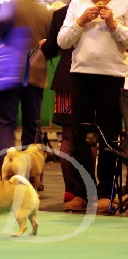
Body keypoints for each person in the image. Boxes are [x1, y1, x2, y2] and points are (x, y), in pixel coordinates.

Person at [57, 0, 128, 212]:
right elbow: (62, 41)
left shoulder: (123, 3)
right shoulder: (78, 3)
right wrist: (81, 21)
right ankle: (83, 193)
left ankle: (107, 192)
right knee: (80, 135)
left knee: (109, 134)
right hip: (80, 75)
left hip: (113, 76)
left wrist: (114, 25)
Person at [0, 0, 51, 174]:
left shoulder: (10, 5)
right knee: (32, 124)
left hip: (9, 70)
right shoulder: (46, 11)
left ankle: (8, 173)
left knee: (6, 123)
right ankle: (32, 175)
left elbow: (1, 24)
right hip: (36, 71)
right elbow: (53, 43)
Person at [40, 1, 96, 206]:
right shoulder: (102, 10)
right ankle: (90, 189)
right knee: (90, 136)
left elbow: (49, 49)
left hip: (66, 80)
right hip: (93, 81)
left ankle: (71, 191)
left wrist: (43, 44)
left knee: (68, 136)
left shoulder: (60, 13)